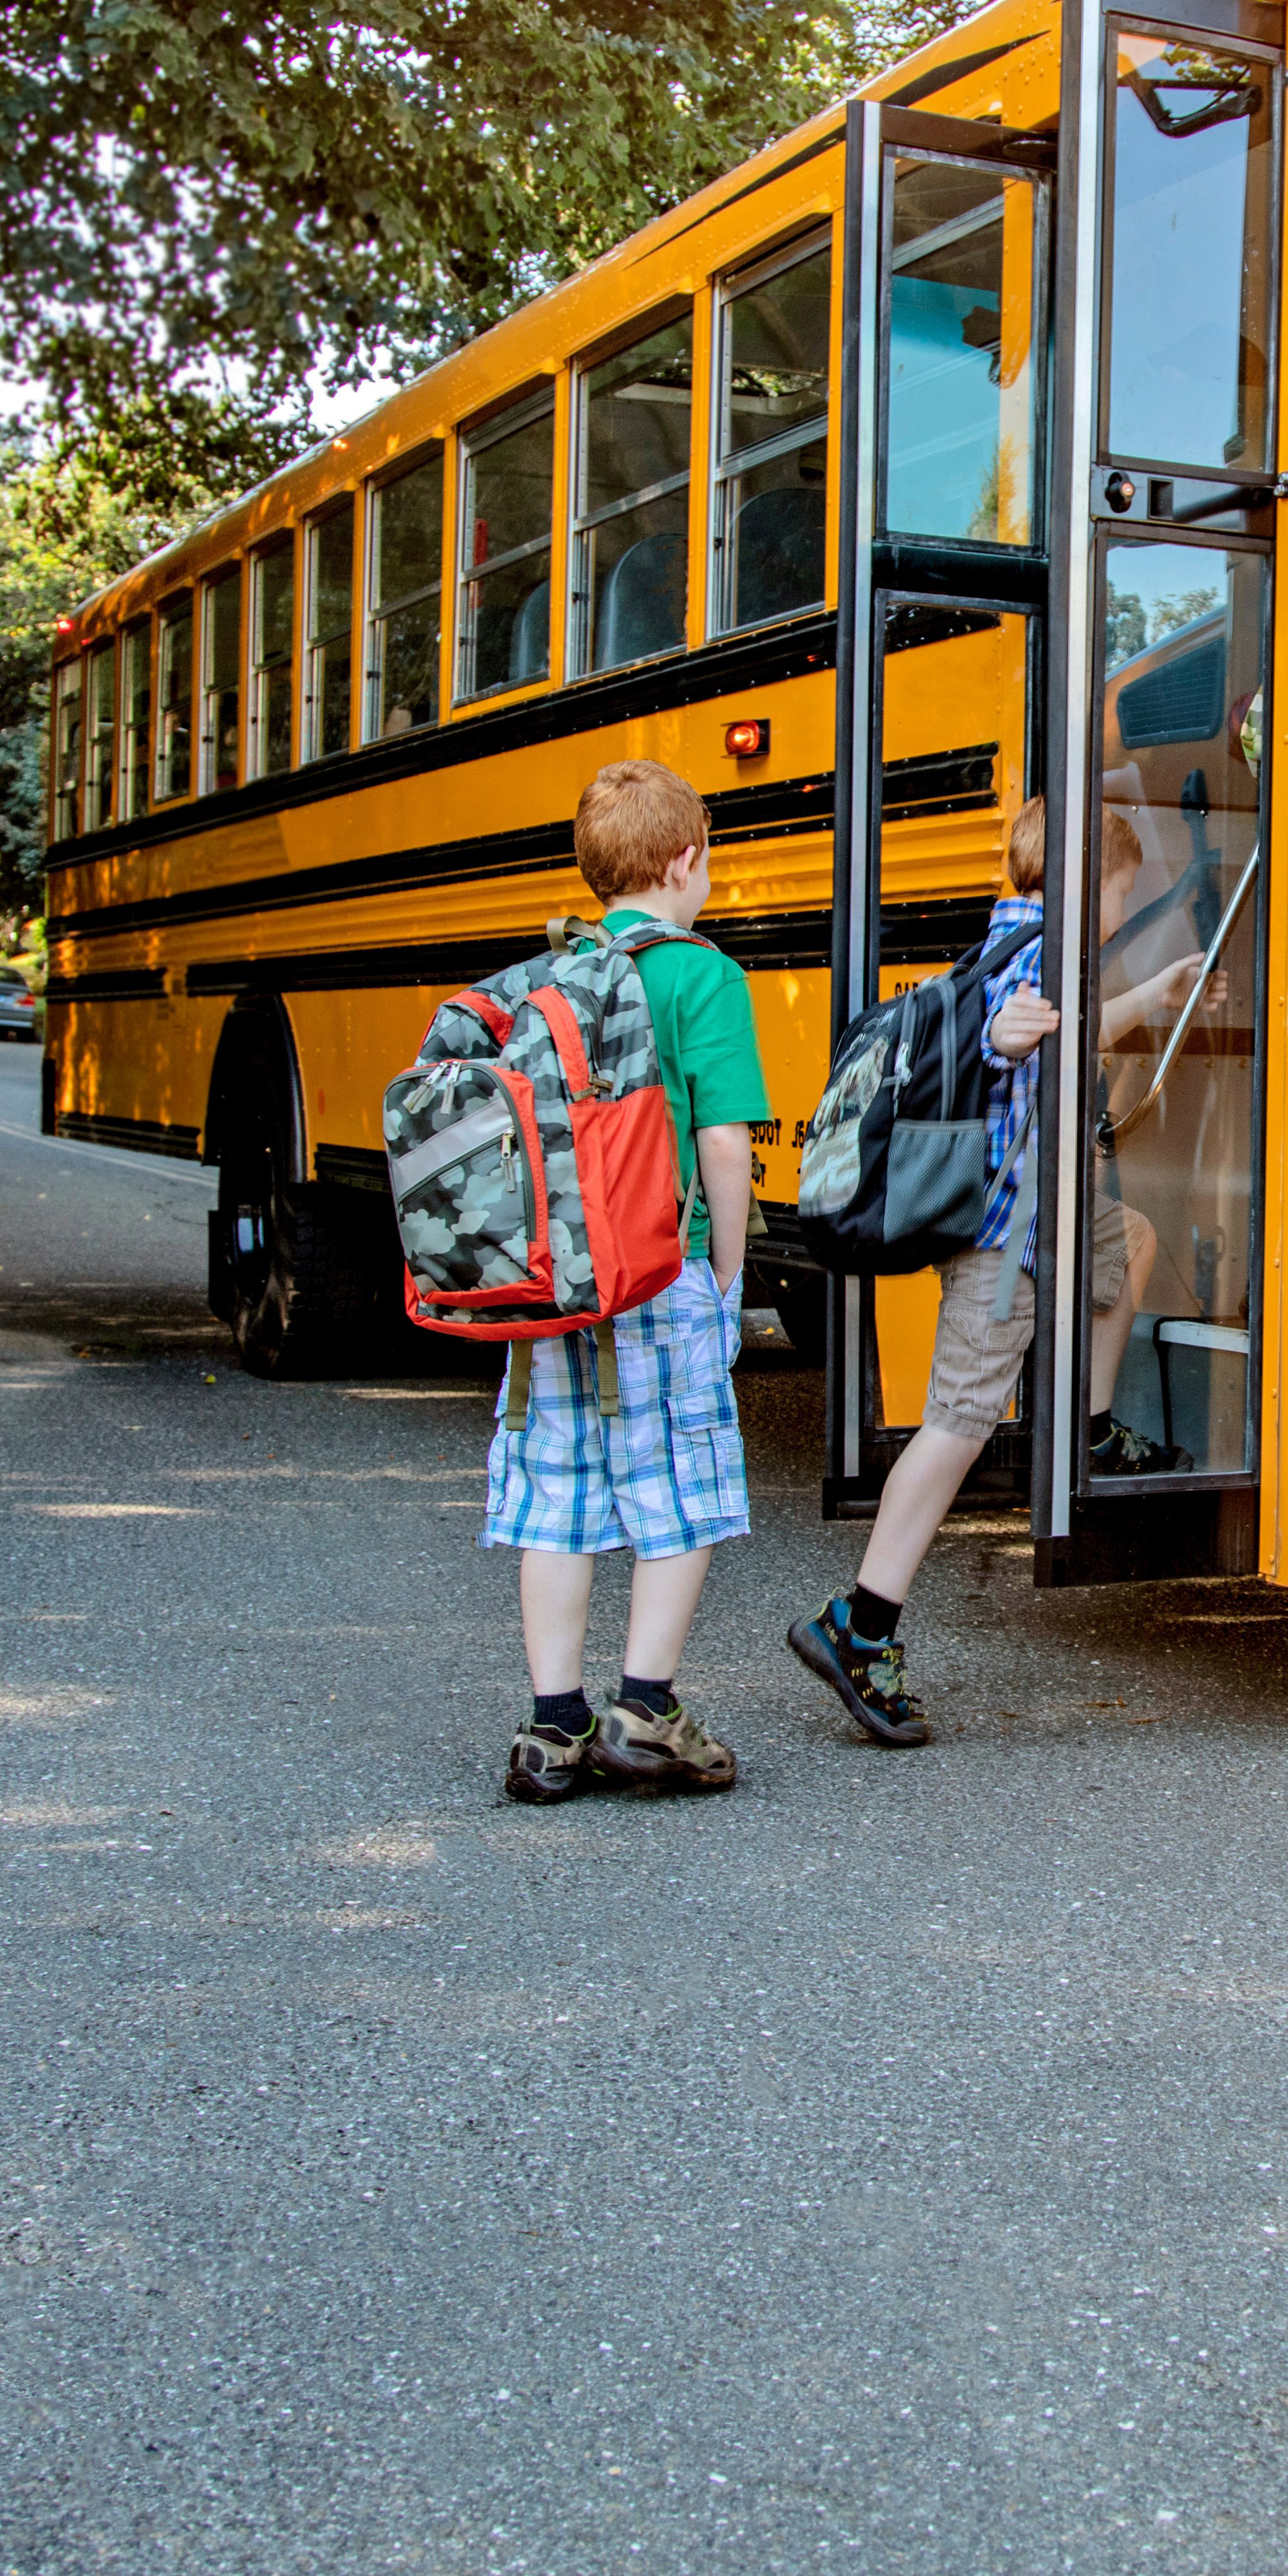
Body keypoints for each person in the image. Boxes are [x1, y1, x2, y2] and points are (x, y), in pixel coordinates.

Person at [789, 793, 1196, 1745]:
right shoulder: (1034, 960)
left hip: (1043, 1217)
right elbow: (1010, 1030)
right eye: (1121, 888)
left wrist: (1154, 995)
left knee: (1126, 1238)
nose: (1122, 905)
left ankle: (1090, 1428)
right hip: (1003, 1240)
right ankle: (861, 1623)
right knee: (958, 1421)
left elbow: (1067, 1027)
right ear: (1089, 878)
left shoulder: (1010, 942)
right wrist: (1007, 1037)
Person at [498, 759, 774, 1804]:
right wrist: (729, 1274)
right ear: (686, 859)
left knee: (557, 1488)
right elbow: (724, 1142)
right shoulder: (702, 975)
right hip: (659, 1272)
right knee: (682, 1485)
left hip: (555, 1278)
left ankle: (551, 1725)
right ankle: (644, 1705)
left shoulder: (544, 975)